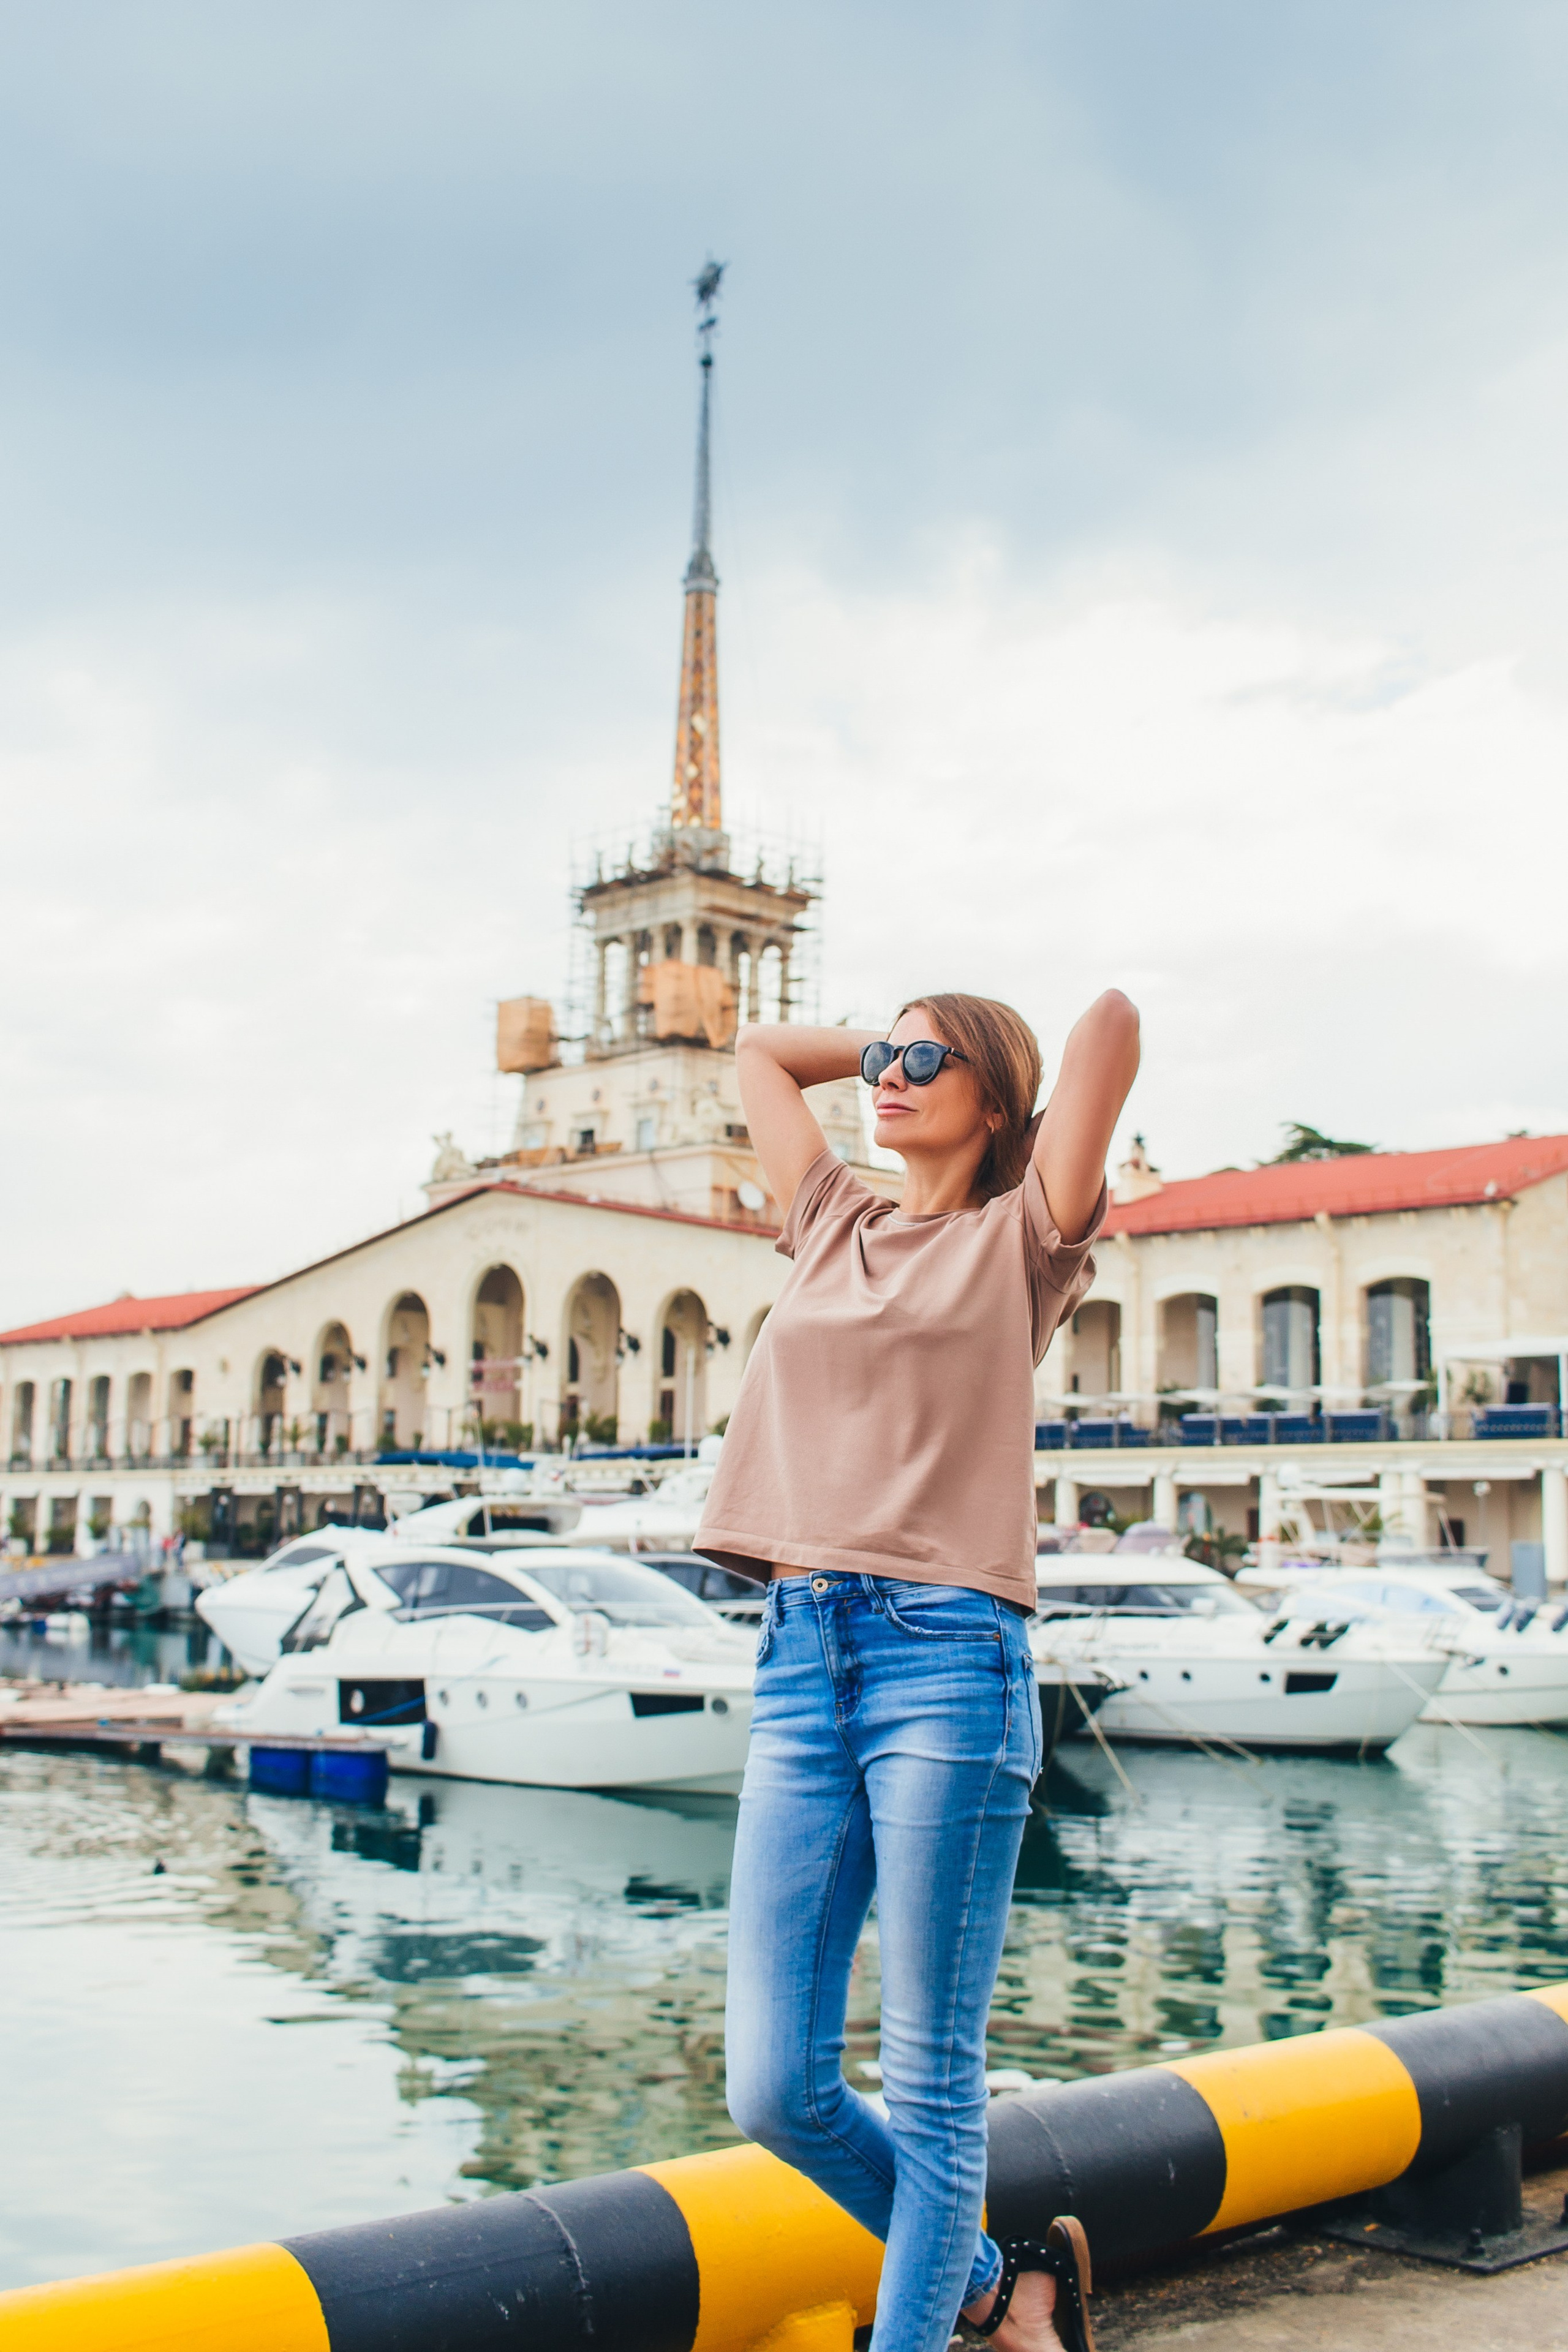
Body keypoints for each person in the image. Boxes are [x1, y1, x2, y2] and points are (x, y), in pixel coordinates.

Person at [697, 989, 1140, 2352]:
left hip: (948, 1656)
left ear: (997, 1103)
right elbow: (763, 1054)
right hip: (798, 1653)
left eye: (920, 1062)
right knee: (771, 2090)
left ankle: (952, 2329)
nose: (884, 1077)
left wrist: (975, 1017)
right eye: (880, 1058)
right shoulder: (830, 1215)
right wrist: (897, 1014)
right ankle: (1002, 2299)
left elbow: (1109, 1023)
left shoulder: (1023, 1240)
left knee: (932, 2079)